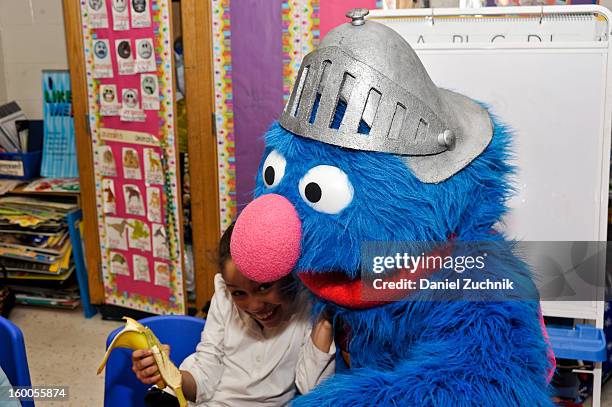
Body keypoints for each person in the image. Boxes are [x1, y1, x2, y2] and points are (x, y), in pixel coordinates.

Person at [131, 222, 335, 406]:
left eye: (264, 287)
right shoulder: (224, 296)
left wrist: (324, 322)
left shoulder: (308, 307)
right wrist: (169, 375)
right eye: (238, 293)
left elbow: (312, 391)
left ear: (286, 275)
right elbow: (205, 375)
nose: (254, 306)